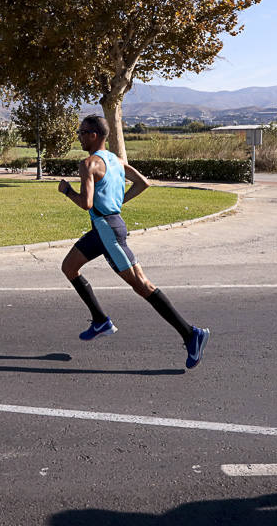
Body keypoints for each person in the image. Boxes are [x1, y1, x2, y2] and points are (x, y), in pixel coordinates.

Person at [57, 115, 210, 369]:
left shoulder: (88, 164)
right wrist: (117, 205)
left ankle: (191, 334)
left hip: (108, 233)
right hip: (104, 228)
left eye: (82, 132)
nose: (79, 136)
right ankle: (100, 320)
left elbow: (86, 204)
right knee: (69, 267)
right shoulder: (116, 161)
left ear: (94, 135)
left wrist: (67, 192)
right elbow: (143, 183)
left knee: (142, 286)